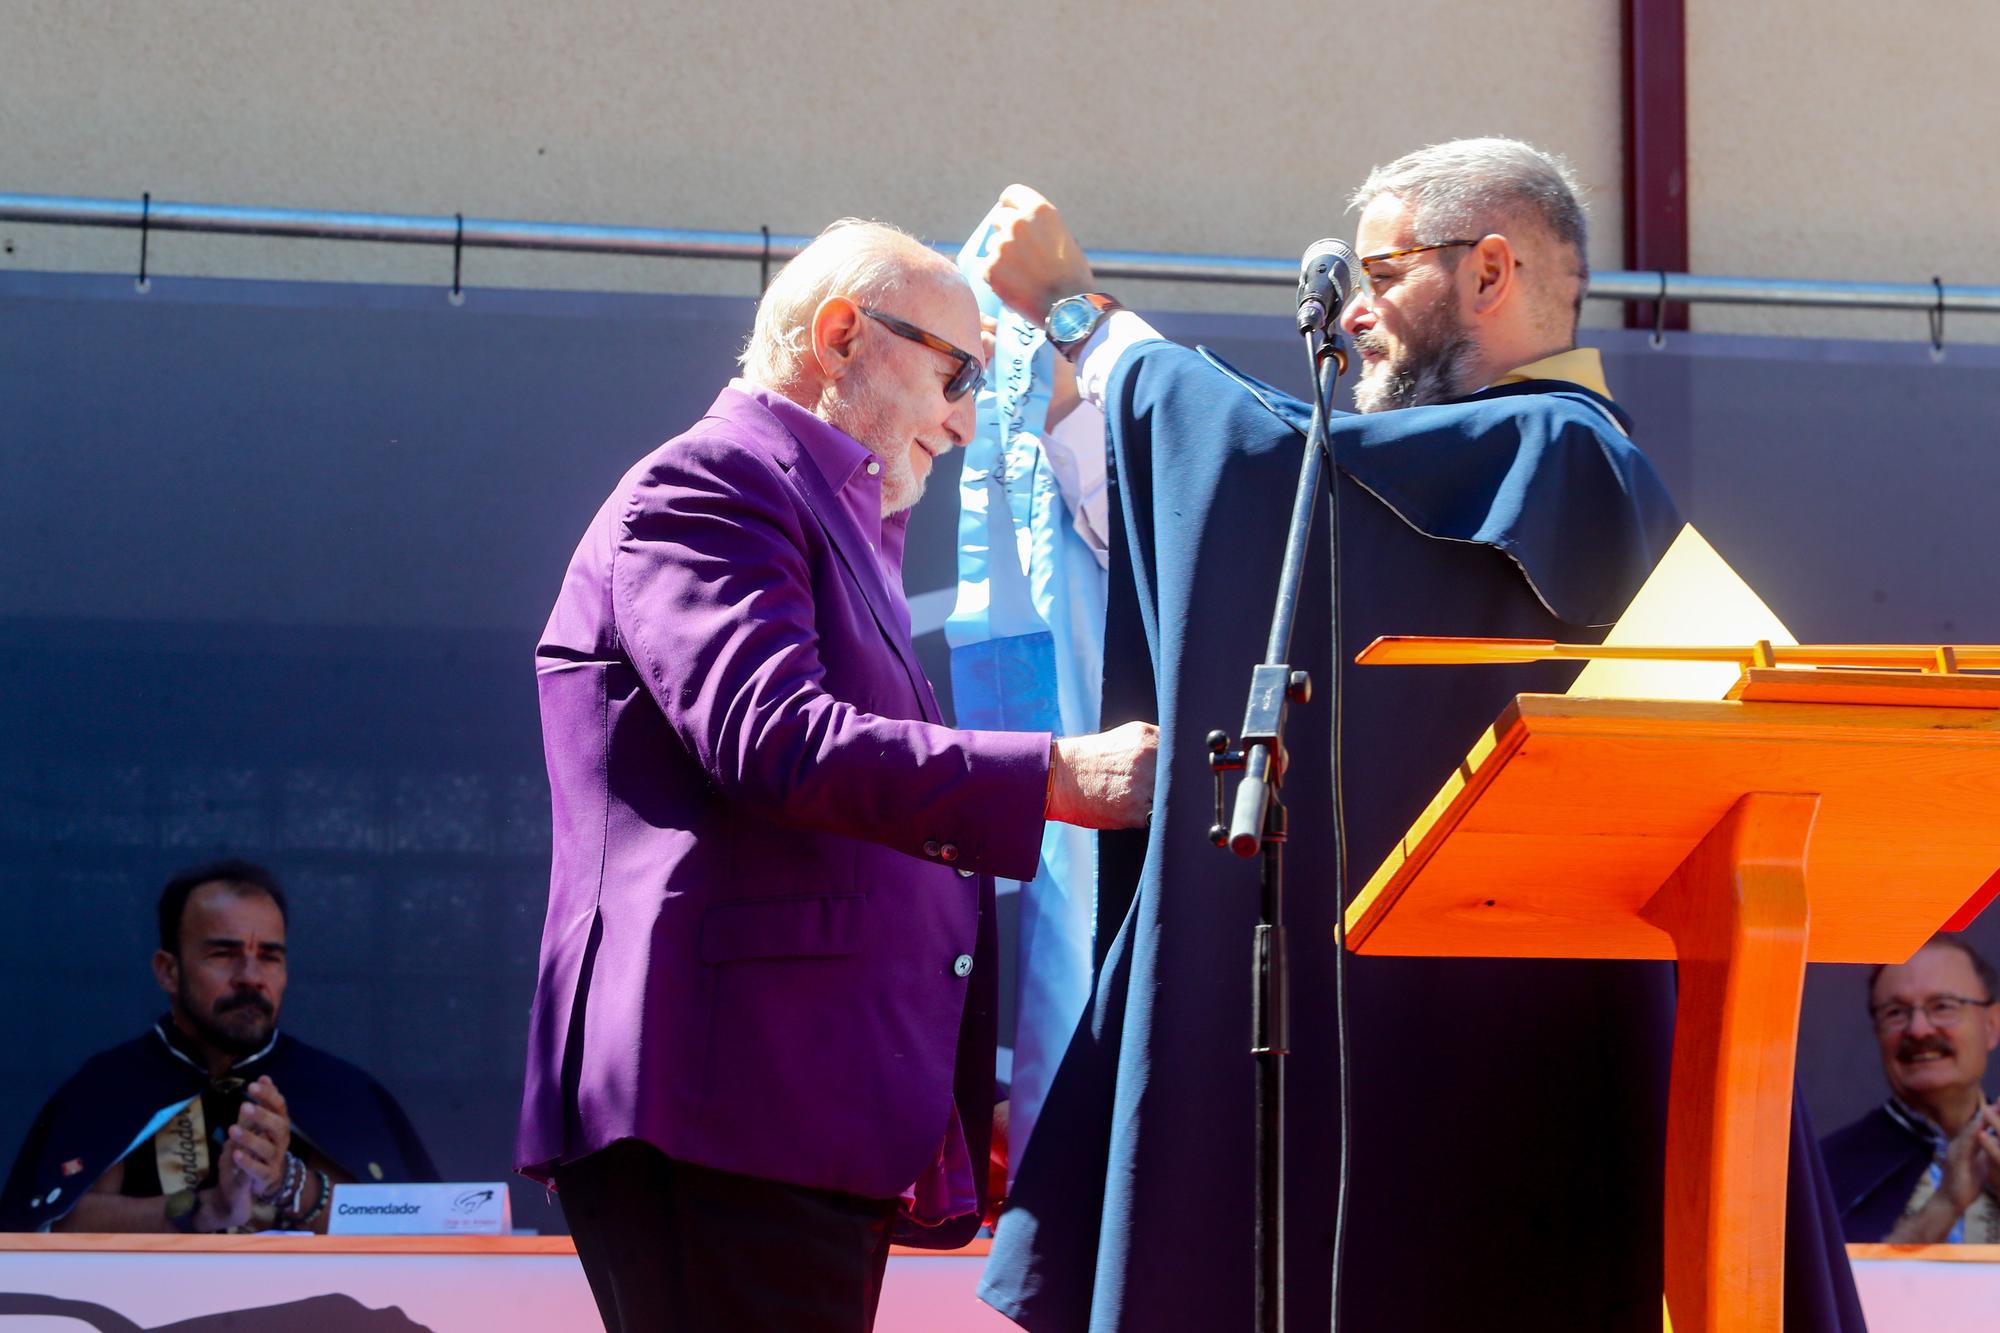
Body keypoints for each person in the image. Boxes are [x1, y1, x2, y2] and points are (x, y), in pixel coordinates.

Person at [975, 138, 1864, 1331]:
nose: (1346, 317)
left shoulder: (1562, 454)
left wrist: (1082, 318)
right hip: (1423, 1067)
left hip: (1510, 1072)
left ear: (1488, 269)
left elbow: (1270, 468)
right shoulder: (1493, 469)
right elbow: (1303, 498)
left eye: (1380, 273)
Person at [515, 218, 1158, 1333]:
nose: (964, 421)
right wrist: (1059, 775)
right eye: (955, 374)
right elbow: (776, 738)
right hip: (727, 1098)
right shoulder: (711, 482)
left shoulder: (815, 513)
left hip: (791, 1103)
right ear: (839, 335)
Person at [2, 859, 438, 1233]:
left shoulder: (340, 1090)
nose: (251, 975)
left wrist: (288, 1183)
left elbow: (416, 1224)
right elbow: (56, 1224)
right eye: (223, 953)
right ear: (168, 971)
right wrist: (205, 1209)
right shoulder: (109, 1085)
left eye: (269, 956)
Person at [1822, 933, 2000, 1242]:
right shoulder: (1825, 1171)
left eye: (1943, 1006)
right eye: (1895, 1012)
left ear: (1992, 1025)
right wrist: (1945, 1206)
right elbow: (1830, 1288)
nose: (1918, 1030)